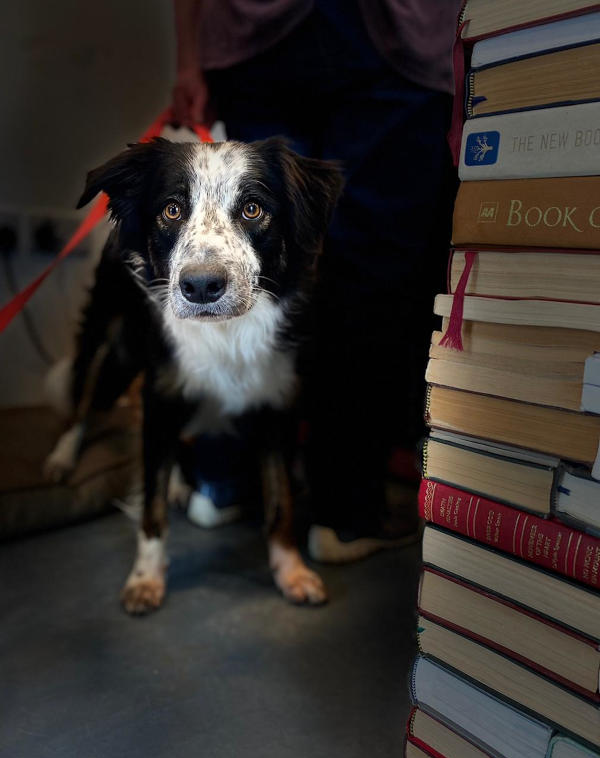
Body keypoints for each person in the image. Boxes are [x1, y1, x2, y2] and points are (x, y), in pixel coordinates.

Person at [171, 0, 461, 562]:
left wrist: (188, 60)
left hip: (255, 32)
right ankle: (345, 515)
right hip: (395, 36)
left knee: (255, 268)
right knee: (369, 273)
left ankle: (224, 481)